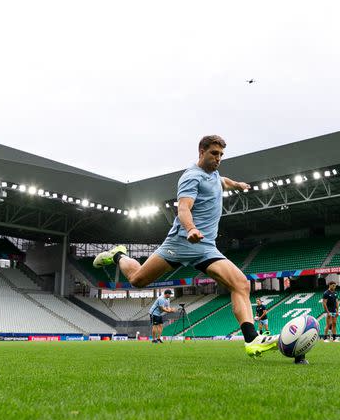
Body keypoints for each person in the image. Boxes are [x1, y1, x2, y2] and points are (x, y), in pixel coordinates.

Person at [94, 135, 278, 357]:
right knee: (137, 280)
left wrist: (236, 184)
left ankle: (252, 340)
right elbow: (183, 208)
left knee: (241, 284)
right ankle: (118, 255)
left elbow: (221, 181)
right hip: (181, 242)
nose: (218, 158)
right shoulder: (191, 177)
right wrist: (190, 228)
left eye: (221, 155)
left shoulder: (214, 173)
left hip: (206, 247)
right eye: (214, 153)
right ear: (201, 151)